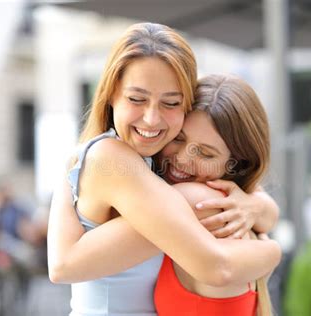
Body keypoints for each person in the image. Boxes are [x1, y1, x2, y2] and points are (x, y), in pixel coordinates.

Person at [47, 22, 281, 315]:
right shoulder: (115, 158)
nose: (151, 119)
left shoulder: (156, 160)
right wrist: (273, 250)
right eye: (136, 99)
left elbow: (262, 205)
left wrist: (255, 208)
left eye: (170, 103)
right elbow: (217, 266)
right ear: (110, 94)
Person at [154, 74, 274, 316]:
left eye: (206, 154)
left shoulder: (193, 199)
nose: (182, 159)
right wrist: (261, 208)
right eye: (178, 138)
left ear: (236, 165)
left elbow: (72, 262)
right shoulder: (238, 205)